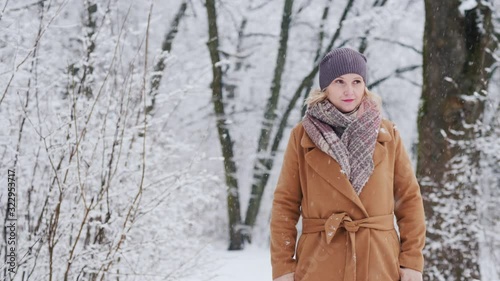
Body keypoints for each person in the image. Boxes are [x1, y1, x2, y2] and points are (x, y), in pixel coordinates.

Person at [270, 48, 426, 281]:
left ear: (365, 85)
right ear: (325, 87)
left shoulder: (387, 134)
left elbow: (409, 200)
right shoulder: (302, 135)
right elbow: (285, 204)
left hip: (379, 261)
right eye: (339, 81)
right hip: (319, 262)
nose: (349, 90)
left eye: (357, 81)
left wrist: (412, 261)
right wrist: (283, 267)